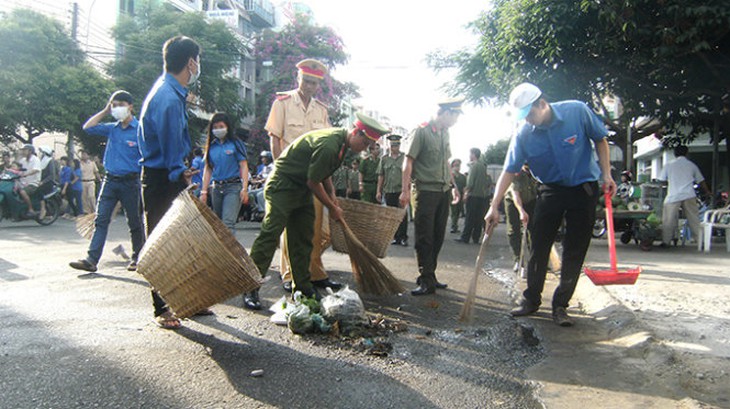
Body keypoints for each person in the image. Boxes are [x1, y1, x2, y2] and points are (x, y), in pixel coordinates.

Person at [485, 82, 616, 327]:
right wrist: (493, 206)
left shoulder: (576, 111)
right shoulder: (523, 133)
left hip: (583, 188)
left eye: (531, 114)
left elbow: (600, 140)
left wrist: (606, 174)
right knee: (539, 245)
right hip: (550, 190)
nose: (529, 121)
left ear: (542, 104)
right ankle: (531, 300)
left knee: (574, 249)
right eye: (524, 117)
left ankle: (561, 305)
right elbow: (509, 171)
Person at [245, 112, 390, 309]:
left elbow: (324, 173)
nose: (364, 149)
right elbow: (313, 182)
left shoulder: (341, 144)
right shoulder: (330, 144)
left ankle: (303, 287)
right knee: (270, 234)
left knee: (303, 238)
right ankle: (250, 286)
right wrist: (332, 208)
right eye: (364, 144)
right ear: (356, 132)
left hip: (301, 190)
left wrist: (332, 195)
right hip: (283, 186)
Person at [138, 35, 201, 329]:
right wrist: (179, 172)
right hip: (162, 179)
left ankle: (185, 300)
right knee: (163, 244)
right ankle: (162, 308)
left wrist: (180, 170)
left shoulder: (171, 93)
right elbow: (168, 144)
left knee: (181, 243)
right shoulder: (166, 96)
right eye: (197, 61)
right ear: (190, 62)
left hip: (168, 175)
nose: (198, 66)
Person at [263, 58, 340, 295]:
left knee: (316, 229)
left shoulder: (321, 110)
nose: (309, 86)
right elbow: (275, 138)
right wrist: (281, 170)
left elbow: (326, 147)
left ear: (319, 85)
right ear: (298, 79)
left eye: (314, 83)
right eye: (306, 81)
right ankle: (290, 274)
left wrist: (330, 188)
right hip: (291, 177)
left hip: (313, 178)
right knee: (291, 228)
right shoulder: (283, 103)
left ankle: (315, 273)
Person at [67, 90, 145, 274]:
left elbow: (148, 155)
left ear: (130, 106)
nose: (117, 108)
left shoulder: (140, 130)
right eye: (114, 105)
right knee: (100, 220)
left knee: (134, 222)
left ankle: (138, 257)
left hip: (131, 182)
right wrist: (105, 110)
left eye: (120, 105)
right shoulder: (112, 128)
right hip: (110, 181)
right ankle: (91, 260)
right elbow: (88, 127)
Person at [400, 97, 465, 296]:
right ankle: (425, 278)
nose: (456, 121)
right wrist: (404, 191)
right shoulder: (421, 131)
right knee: (424, 237)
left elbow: (446, 161)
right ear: (445, 113)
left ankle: (430, 275)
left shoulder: (445, 133)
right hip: (425, 191)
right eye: (455, 116)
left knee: (438, 236)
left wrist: (454, 186)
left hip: (443, 191)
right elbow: (408, 162)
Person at [199, 112, 250, 233]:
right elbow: (208, 169)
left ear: (227, 127)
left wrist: (244, 188)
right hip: (216, 188)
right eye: (215, 128)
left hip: (233, 187)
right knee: (219, 224)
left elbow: (243, 165)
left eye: (221, 126)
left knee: (228, 223)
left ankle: (232, 252)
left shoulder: (235, 144)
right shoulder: (211, 147)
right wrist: (204, 191)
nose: (218, 130)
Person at [657, 145, 711, 247]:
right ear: (687, 153)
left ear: (674, 154)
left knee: (668, 219)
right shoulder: (691, 165)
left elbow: (661, 180)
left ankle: (666, 241)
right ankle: (700, 241)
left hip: (673, 194)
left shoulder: (668, 165)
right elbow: (701, 180)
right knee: (694, 218)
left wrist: (670, 183)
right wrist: (707, 191)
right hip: (689, 194)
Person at [504, 164, 537, 273]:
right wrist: (521, 211)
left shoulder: (537, 171)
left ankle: (535, 261)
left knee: (533, 231)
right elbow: (515, 194)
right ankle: (518, 260)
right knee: (514, 230)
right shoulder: (516, 172)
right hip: (513, 202)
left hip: (530, 200)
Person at [456, 148, 492, 244]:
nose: (469, 156)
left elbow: (470, 182)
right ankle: (476, 237)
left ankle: (465, 237)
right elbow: (488, 182)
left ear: (473, 154)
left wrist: (466, 192)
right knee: (479, 218)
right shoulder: (483, 166)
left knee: (469, 217)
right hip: (482, 196)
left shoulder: (473, 166)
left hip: (473, 195)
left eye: (470, 154)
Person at [377, 134, 408, 246]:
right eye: (392, 145)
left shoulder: (405, 158)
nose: (394, 147)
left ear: (399, 145)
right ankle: (395, 237)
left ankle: (403, 237)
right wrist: (378, 191)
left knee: (402, 215)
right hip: (389, 190)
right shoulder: (384, 159)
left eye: (396, 145)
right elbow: (381, 175)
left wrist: (407, 190)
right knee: (392, 215)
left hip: (401, 190)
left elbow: (408, 174)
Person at [17, 144, 42, 218]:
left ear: (30, 151)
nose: (23, 152)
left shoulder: (35, 159)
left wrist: (26, 174)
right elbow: (17, 168)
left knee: (22, 192)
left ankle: (30, 209)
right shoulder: (23, 160)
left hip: (33, 183)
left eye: (25, 150)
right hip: (22, 182)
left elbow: (35, 170)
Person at [78, 150, 100, 214]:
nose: (83, 156)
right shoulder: (79, 164)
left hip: (91, 181)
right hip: (82, 181)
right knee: (84, 197)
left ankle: (95, 210)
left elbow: (96, 172)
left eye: (85, 154)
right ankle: (87, 211)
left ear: (88, 156)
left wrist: (100, 180)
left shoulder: (92, 163)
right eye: (82, 154)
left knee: (91, 196)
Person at [449, 159, 466, 233]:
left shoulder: (462, 176)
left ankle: (455, 225)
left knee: (459, 211)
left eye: (458, 165)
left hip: (461, 195)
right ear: (452, 166)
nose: (457, 167)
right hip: (453, 195)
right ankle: (453, 226)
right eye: (456, 165)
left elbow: (465, 186)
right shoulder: (450, 176)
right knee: (454, 211)